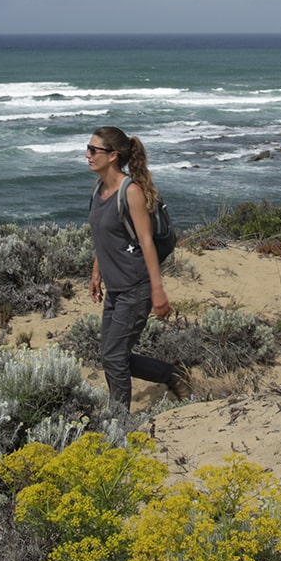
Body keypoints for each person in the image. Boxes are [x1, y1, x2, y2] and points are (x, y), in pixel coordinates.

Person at [85, 125, 185, 411]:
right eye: (88, 148)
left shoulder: (131, 192)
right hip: (116, 288)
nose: (87, 155)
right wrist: (97, 271)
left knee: (114, 357)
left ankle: (119, 422)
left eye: (94, 150)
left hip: (136, 287)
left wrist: (158, 291)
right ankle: (172, 374)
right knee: (112, 355)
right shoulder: (99, 189)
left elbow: (146, 242)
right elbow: (104, 235)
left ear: (113, 155)